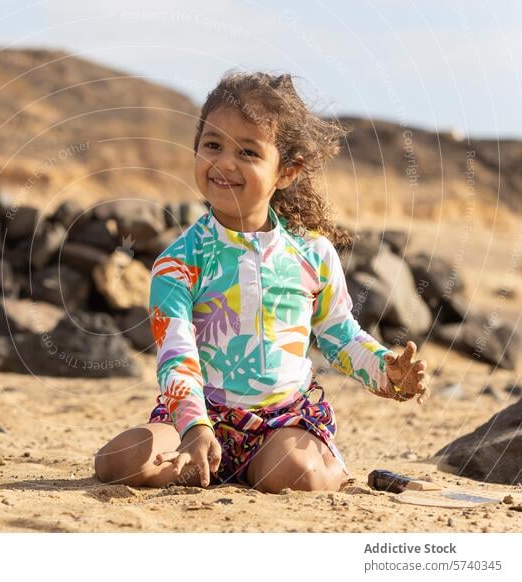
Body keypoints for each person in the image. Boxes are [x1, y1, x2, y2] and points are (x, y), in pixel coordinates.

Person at [94, 70, 431, 492]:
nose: (224, 163)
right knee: (121, 462)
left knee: (295, 474)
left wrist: (387, 372)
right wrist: (194, 426)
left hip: (281, 421)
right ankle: (205, 457)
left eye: (248, 152)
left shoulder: (312, 254)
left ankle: (316, 468)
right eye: (212, 145)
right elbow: (175, 353)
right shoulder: (179, 261)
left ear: (287, 171)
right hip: (200, 415)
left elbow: (339, 336)